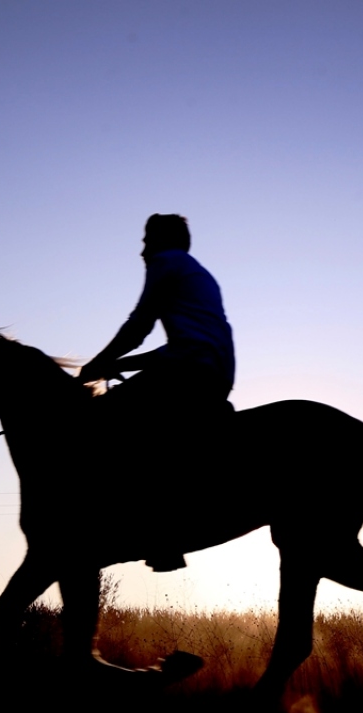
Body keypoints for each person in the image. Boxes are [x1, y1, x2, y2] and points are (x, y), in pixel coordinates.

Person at [79, 213, 235, 572]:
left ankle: (153, 532)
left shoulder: (167, 263)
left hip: (190, 371)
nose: (142, 250)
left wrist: (99, 362)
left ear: (162, 242)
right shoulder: (198, 273)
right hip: (209, 371)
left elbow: (139, 325)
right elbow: (180, 347)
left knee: (104, 420)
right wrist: (120, 365)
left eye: (146, 241)